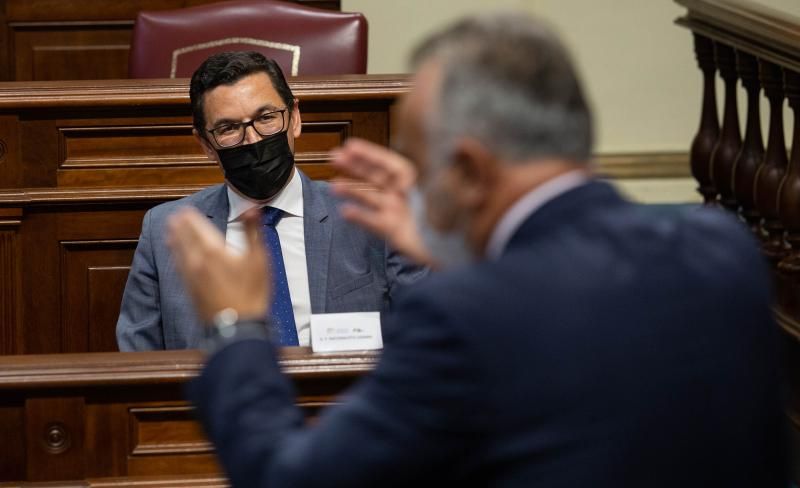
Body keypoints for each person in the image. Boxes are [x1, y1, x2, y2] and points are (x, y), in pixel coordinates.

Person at [165, 12, 786, 487]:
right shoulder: (722, 248)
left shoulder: (462, 317)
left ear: (465, 166)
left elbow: (288, 478)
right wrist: (459, 255)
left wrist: (235, 324)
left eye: (416, 155)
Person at [116, 51, 426, 350]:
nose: (252, 140)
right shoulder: (163, 232)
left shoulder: (369, 217)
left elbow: (431, 333)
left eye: (266, 117)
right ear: (206, 145)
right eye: (228, 128)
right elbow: (138, 361)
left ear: (294, 118)